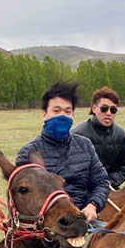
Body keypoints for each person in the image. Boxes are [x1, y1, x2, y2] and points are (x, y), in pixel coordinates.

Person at [16, 81, 110, 222]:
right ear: (44, 114)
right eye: (56, 111)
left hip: (83, 220)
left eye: (68, 112)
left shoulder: (85, 146)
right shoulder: (28, 152)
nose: (62, 116)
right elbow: (24, 199)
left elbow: (101, 181)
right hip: (49, 226)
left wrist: (93, 205)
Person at [71, 86, 125, 188]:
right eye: (104, 109)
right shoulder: (76, 134)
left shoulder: (122, 136)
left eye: (113, 110)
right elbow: (70, 167)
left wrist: (109, 182)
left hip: (110, 188)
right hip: (81, 191)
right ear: (94, 108)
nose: (108, 113)